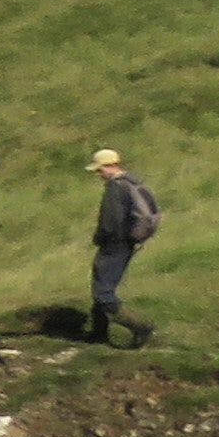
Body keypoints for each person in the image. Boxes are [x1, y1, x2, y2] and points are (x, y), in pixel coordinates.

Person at [87, 146, 160, 346]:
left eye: (100, 170)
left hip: (114, 244)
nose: (99, 174)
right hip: (126, 243)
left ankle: (141, 326)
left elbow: (111, 222)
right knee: (102, 288)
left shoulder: (116, 187)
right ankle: (98, 335)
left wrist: (100, 238)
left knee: (103, 293)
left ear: (111, 166)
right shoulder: (133, 183)